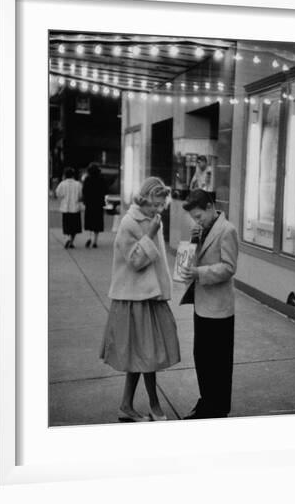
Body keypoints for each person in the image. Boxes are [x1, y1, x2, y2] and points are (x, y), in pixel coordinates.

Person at [100, 177, 180, 422]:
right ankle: (154, 406)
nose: (158, 210)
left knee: (142, 354)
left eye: (161, 205)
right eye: (154, 204)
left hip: (150, 297)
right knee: (146, 354)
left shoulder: (152, 219)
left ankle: (126, 406)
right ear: (144, 198)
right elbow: (135, 261)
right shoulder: (129, 223)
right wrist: (151, 234)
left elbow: (158, 263)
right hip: (133, 298)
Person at [179, 189, 238, 419]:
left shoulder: (227, 230)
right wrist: (194, 242)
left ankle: (218, 408)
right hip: (202, 304)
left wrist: (199, 273)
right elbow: (195, 258)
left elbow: (229, 267)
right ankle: (206, 401)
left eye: (199, 216)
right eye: (194, 218)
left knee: (219, 363)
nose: (197, 221)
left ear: (211, 207)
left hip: (220, 308)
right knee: (201, 357)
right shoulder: (202, 229)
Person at [55, 167, 83, 249]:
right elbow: (81, 195)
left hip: (65, 208)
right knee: (74, 227)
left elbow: (58, 193)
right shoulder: (78, 184)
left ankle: (67, 238)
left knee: (66, 225)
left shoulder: (62, 184)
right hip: (75, 208)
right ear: (73, 175)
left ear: (65, 175)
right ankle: (71, 241)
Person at [82, 162, 106, 248]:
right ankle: (95, 240)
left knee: (90, 222)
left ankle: (89, 237)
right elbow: (104, 190)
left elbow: (84, 191)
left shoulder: (87, 179)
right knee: (97, 222)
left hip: (89, 203)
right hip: (98, 204)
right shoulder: (101, 179)